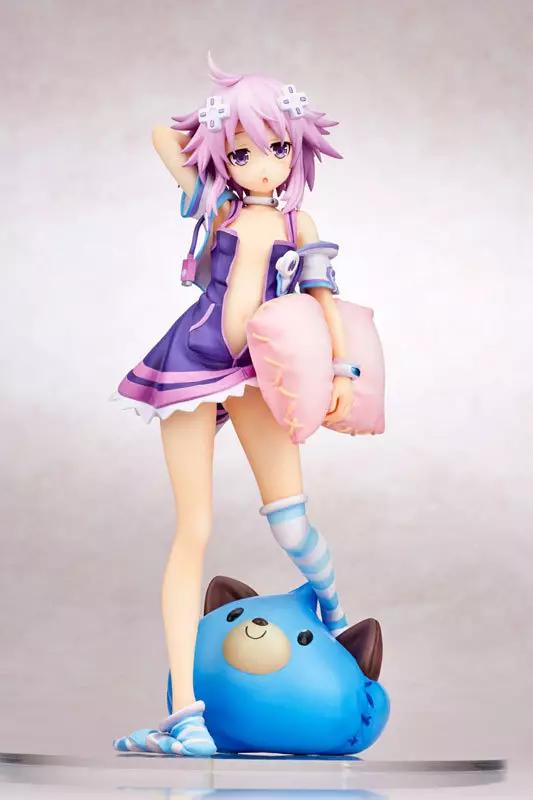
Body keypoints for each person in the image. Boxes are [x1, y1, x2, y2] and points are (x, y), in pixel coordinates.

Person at [111, 54, 361, 757]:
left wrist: (340, 369)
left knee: (292, 522)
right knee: (192, 528)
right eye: (244, 152)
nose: (263, 166)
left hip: (258, 373)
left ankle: (332, 607)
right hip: (192, 364)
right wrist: (217, 124)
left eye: (278, 148)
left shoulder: (298, 221)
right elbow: (163, 136)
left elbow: (324, 299)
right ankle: (185, 715)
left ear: (297, 149)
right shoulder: (217, 206)